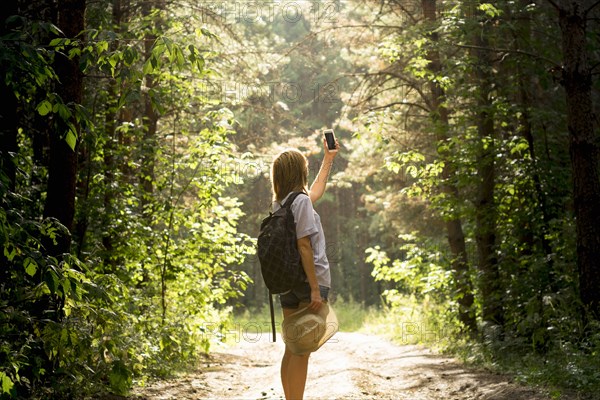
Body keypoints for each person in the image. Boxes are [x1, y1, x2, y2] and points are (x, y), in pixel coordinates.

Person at [269, 136, 340, 400]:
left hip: (288, 281)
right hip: (307, 283)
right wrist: (314, 289)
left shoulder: (283, 202)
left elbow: (316, 191)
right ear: (299, 172)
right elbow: (304, 246)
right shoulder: (299, 202)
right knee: (302, 350)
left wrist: (328, 159)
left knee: (292, 347)